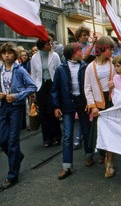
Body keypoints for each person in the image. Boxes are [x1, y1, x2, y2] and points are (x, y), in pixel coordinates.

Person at [0, 42, 36, 189]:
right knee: (2, 140)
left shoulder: (20, 70)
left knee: (13, 141)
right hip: (3, 106)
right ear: (1, 55)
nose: (7, 55)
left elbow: (33, 86)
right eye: (4, 53)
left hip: (16, 108)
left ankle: (12, 175)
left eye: (9, 53)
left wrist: (17, 96)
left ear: (14, 55)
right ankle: (17, 157)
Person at [51, 43, 94, 180]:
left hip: (83, 103)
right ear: (71, 53)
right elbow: (55, 88)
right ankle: (66, 165)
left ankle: (89, 155)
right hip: (67, 104)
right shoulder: (61, 69)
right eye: (79, 51)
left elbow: (90, 85)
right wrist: (56, 106)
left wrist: (91, 102)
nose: (82, 53)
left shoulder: (85, 66)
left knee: (87, 131)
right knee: (68, 134)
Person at [84, 36, 116, 177]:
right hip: (99, 103)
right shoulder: (91, 67)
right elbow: (87, 88)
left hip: (112, 101)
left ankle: (110, 163)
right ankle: (102, 154)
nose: (112, 51)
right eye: (110, 49)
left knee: (112, 132)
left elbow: (120, 79)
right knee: (100, 132)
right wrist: (93, 106)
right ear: (103, 49)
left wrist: (113, 83)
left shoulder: (113, 63)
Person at [30, 37, 61, 147]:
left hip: (52, 84)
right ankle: (47, 139)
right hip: (41, 86)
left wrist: (59, 87)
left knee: (53, 111)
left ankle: (57, 136)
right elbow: (33, 74)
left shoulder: (55, 56)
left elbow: (59, 71)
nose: (50, 46)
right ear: (42, 45)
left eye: (51, 44)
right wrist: (33, 90)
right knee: (43, 113)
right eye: (48, 44)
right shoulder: (34, 58)